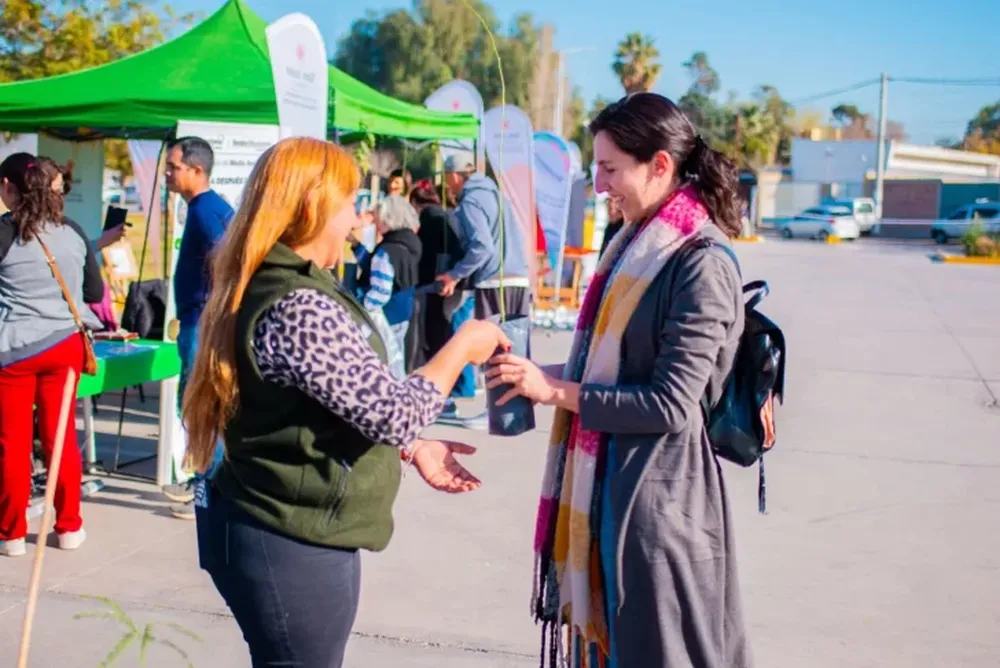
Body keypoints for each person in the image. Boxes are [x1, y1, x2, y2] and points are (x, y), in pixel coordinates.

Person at [182, 137, 510, 667]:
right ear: (313, 207)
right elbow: (393, 412)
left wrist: (411, 446)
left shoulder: (286, 283)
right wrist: (462, 347)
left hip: (282, 528)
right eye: (350, 203)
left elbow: (335, 400)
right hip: (289, 536)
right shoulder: (297, 302)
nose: (358, 220)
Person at [486, 93, 753, 667]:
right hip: (611, 488)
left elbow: (668, 404)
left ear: (660, 165)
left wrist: (556, 391)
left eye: (610, 169)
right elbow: (610, 371)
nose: (600, 184)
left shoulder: (699, 262)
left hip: (659, 505)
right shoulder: (634, 244)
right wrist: (534, 377)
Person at [0, 152, 103, 557]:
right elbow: (93, 292)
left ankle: (11, 534)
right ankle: (69, 527)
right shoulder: (72, 231)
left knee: (12, 444)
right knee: (61, 439)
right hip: (64, 346)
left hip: (14, 351)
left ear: (9, 187)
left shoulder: (4, 232)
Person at [161, 136, 235, 519]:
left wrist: (214, 308)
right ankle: (208, 483)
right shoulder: (207, 207)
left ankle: (209, 488)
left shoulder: (206, 211)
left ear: (196, 170)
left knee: (200, 408)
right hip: (203, 320)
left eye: (173, 167)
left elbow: (232, 259)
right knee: (204, 407)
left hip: (203, 324)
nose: (167, 173)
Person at [436, 155, 531, 321]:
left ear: (454, 175)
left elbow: (482, 246)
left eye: (446, 178)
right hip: (519, 280)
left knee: (487, 336)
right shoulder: (498, 195)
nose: (447, 184)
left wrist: (455, 274)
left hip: (493, 282)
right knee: (512, 336)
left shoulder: (471, 200)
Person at [409, 180, 477, 401]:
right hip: (458, 283)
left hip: (439, 283)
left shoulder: (430, 219)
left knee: (439, 335)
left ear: (416, 203)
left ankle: (448, 389)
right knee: (455, 332)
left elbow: (425, 256)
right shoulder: (447, 216)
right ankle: (464, 386)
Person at [357, 194, 423, 373]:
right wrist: (357, 246)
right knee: (398, 358)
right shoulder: (411, 243)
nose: (375, 222)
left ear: (388, 219)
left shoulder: (386, 251)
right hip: (404, 312)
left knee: (388, 362)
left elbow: (380, 291)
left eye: (378, 218)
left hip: (386, 316)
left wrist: (360, 307)